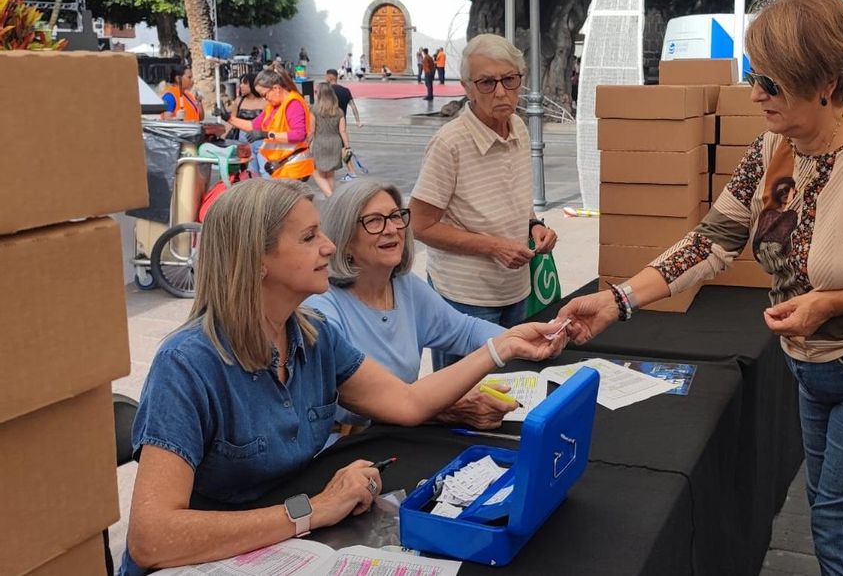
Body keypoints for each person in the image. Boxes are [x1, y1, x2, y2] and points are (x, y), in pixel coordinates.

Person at [559, 0, 843, 576]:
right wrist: (617, 300)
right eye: (755, 77)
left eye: (771, 83)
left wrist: (833, 303)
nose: (755, 94)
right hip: (809, 367)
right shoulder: (773, 148)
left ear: (826, 84)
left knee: (841, 533)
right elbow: (713, 241)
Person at [118, 179, 567, 575]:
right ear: (256, 260)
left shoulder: (314, 336)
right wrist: (310, 510)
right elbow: (151, 538)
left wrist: (501, 347)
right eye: (309, 237)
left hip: (279, 549)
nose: (329, 247)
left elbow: (406, 402)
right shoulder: (187, 365)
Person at [306, 178, 520, 430]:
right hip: (350, 443)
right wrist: (443, 407)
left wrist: (526, 339)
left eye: (396, 216)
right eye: (374, 221)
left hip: (402, 431)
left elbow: (465, 331)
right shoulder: (322, 309)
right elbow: (357, 409)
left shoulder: (404, 285)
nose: (391, 229)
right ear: (344, 239)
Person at [410, 34, 558, 339]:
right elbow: (419, 226)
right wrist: (493, 247)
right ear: (468, 88)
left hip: (516, 289)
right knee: (468, 373)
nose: (501, 92)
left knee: (515, 369)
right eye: (487, 82)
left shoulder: (518, 127)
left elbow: (514, 198)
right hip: (464, 298)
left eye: (509, 79)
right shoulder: (449, 143)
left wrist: (534, 226)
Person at [252, 69, 314, 181]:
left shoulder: (293, 103)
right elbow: (253, 125)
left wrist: (267, 134)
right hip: (286, 165)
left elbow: (299, 135)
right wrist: (229, 118)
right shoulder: (279, 105)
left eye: (264, 95)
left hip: (294, 167)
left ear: (276, 88)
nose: (265, 99)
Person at [223, 73, 268, 177]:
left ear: (252, 84)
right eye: (241, 83)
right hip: (243, 140)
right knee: (250, 171)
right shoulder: (239, 101)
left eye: (244, 83)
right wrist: (223, 137)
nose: (241, 86)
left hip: (260, 138)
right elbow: (232, 120)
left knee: (265, 170)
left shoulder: (265, 102)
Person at [311, 83, 348, 197]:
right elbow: (343, 131)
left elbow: (311, 130)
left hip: (320, 142)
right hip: (335, 143)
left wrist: (307, 143)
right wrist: (347, 146)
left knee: (315, 171)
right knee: (330, 174)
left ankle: (330, 196)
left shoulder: (314, 110)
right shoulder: (339, 111)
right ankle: (331, 199)